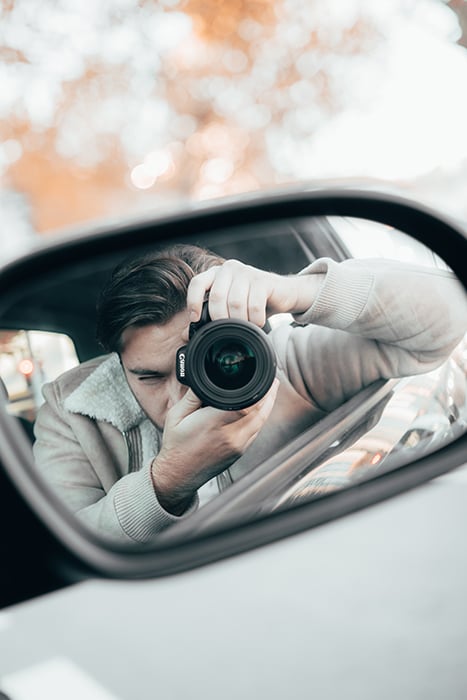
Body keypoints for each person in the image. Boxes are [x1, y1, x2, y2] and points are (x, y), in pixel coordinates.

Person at [33, 243, 467, 543]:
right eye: (148, 377)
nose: (176, 400)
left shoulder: (285, 364)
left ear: (236, 336)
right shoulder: (71, 409)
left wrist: (296, 290)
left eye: (206, 362)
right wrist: (168, 480)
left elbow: (452, 316)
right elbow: (62, 541)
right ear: (116, 361)